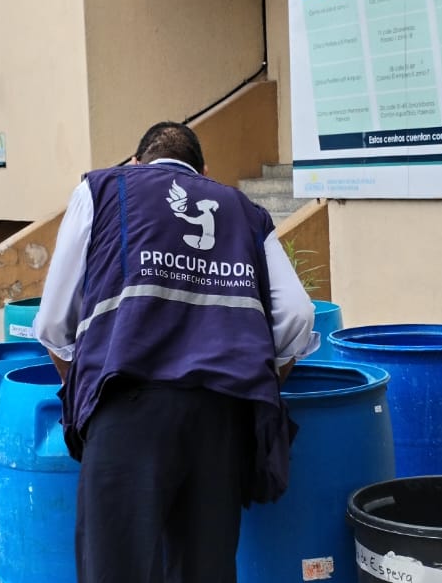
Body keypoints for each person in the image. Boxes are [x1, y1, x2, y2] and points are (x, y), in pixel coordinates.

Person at [33, 122, 318, 583]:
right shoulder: (245, 211)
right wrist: (258, 380)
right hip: (221, 418)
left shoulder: (103, 188)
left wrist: (81, 388)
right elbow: (299, 317)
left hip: (127, 409)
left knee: (115, 570)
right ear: (205, 170)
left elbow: (51, 323)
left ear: (136, 162)